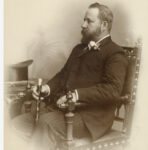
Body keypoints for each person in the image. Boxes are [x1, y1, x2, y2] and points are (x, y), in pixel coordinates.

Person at [12, 2, 128, 150]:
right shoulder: (79, 49)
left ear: (104, 25)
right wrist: (47, 88)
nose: (83, 25)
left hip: (90, 117)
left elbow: (112, 89)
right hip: (63, 110)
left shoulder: (115, 54)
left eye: (89, 21)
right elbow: (63, 75)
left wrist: (76, 95)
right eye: (84, 20)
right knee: (18, 123)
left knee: (46, 124)